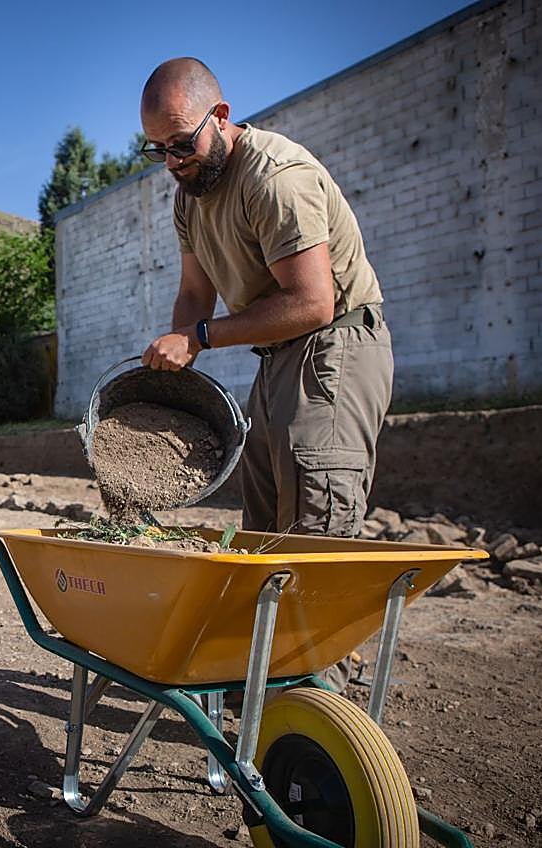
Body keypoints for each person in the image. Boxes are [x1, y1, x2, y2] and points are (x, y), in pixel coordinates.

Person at [139, 58, 393, 691]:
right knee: (262, 543)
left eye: (181, 144)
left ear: (220, 118)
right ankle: (265, 699)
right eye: (157, 150)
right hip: (278, 358)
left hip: (333, 351)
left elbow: (312, 302)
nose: (173, 161)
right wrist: (178, 358)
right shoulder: (190, 196)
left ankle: (314, 734)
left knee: (313, 541)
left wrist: (199, 337)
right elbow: (195, 295)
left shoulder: (275, 177)